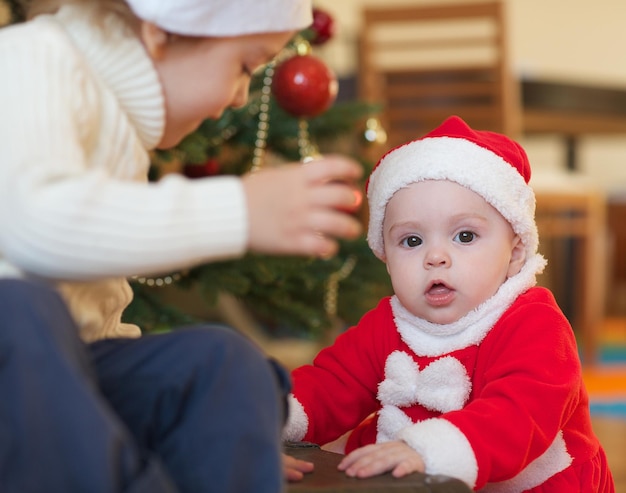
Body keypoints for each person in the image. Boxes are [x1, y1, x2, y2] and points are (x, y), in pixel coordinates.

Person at [0, 0, 363, 492]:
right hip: (17, 358)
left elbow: (95, 311)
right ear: (159, 33)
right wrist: (237, 210)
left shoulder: (121, 128)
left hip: (59, 380)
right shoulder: (29, 57)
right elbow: (33, 224)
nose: (241, 99)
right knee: (18, 309)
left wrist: (224, 440)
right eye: (243, 68)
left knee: (218, 360)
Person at [283, 115, 615, 491]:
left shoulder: (535, 323)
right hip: (411, 476)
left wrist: (430, 451)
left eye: (465, 235)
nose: (436, 256)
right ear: (385, 257)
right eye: (412, 241)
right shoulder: (388, 323)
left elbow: (518, 415)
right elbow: (333, 383)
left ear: (516, 252)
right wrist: (274, 414)